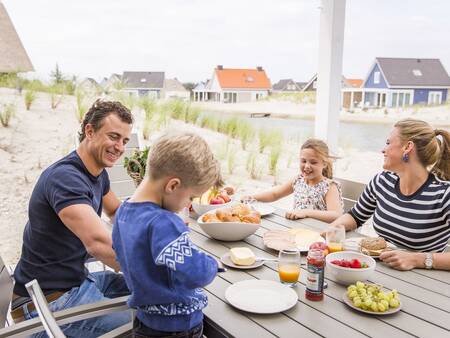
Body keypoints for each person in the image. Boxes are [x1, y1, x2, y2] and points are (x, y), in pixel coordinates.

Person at [11, 100, 134, 337]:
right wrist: (151, 267)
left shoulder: (97, 173)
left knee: (164, 290)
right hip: (47, 302)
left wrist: (155, 227)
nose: (119, 147)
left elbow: (119, 212)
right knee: (147, 319)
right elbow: (98, 243)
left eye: (124, 141)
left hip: (77, 281)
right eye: (113, 137)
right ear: (89, 131)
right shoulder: (66, 178)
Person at [112, 131, 221, 338]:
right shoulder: (163, 223)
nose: (188, 204)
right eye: (190, 197)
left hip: (145, 322)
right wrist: (212, 264)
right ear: (173, 185)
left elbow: (119, 255)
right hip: (177, 327)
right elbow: (196, 272)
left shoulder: (123, 212)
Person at [330, 118, 450, 271]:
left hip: (423, 285)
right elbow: (356, 216)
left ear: (408, 147)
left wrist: (416, 259)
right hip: (380, 271)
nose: (382, 150)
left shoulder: (444, 194)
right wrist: (333, 229)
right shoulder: (382, 181)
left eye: (388, 143)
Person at [243, 138, 344, 223]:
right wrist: (253, 197)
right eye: (303, 161)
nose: (307, 166)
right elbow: (275, 194)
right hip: (297, 229)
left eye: (313, 162)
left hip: (320, 234)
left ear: (324, 164)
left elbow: (336, 215)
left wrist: (306, 212)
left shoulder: (329, 186)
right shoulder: (298, 180)